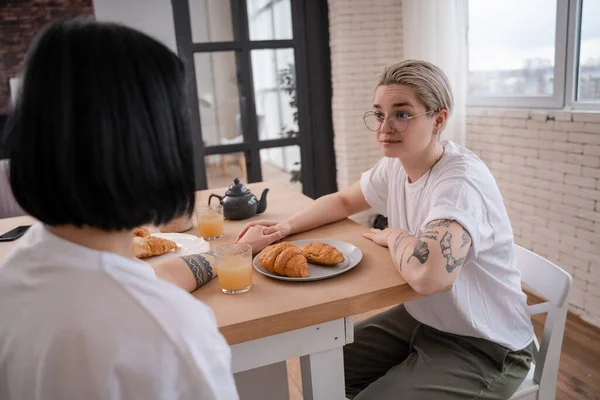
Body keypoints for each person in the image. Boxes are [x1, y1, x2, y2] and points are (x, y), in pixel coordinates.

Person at [0, 17, 277, 400]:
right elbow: (136, 297)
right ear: (149, 145)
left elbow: (135, 281)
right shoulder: (168, 331)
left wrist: (225, 255)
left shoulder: (21, 268)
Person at [237, 59, 535, 399]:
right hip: (424, 319)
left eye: (402, 114)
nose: (384, 128)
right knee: (325, 370)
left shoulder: (460, 183)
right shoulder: (396, 165)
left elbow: (429, 277)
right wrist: (283, 227)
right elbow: (344, 202)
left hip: (487, 344)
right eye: (380, 114)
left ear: (439, 118)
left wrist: (395, 235)